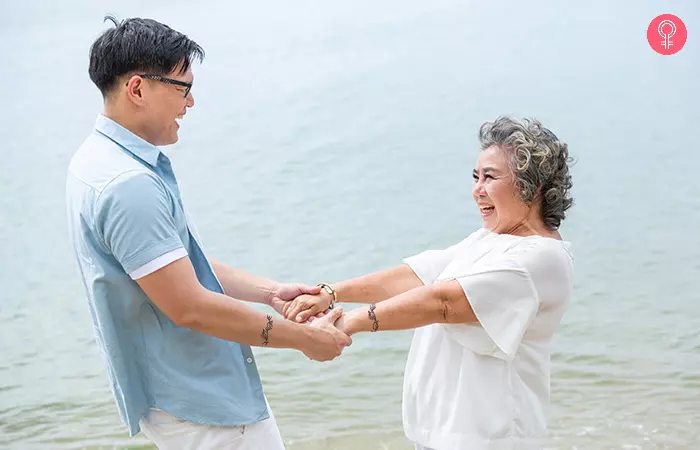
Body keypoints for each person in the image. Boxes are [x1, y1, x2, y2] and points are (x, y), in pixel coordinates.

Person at [65, 16, 350, 449]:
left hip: (179, 392)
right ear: (138, 89)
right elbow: (190, 307)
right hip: (201, 405)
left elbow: (168, 263)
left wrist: (269, 291)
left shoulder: (95, 161)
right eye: (183, 88)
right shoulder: (129, 186)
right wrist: (306, 339)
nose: (191, 102)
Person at [285, 117, 575, 449]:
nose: (477, 189)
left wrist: (348, 323)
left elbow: (444, 303)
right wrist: (330, 293)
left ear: (531, 187)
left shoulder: (539, 258)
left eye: (490, 177)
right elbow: (417, 276)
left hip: (489, 438)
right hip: (440, 434)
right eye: (475, 177)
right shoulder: (490, 239)